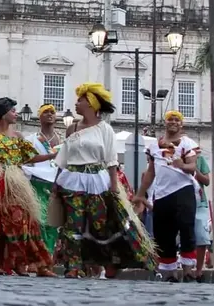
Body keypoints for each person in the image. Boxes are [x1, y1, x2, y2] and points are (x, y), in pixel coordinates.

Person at [54, 84, 157, 279]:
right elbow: (64, 157)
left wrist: (114, 187)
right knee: (72, 226)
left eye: (81, 100)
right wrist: (55, 182)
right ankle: (73, 267)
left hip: (97, 182)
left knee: (99, 226)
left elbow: (111, 160)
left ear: (91, 104)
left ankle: (102, 263)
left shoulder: (105, 129)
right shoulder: (72, 128)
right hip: (72, 180)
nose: (76, 103)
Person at [0, 97, 57, 276]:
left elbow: (30, 157)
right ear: (3, 113)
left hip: (15, 182)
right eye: (13, 111)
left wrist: (52, 157)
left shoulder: (17, 136)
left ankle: (27, 264)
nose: (16, 114)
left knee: (22, 221)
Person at [133, 110, 200, 281]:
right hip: (162, 194)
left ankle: (188, 270)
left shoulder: (187, 143)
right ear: (165, 122)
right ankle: (170, 272)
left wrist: (182, 165)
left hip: (183, 189)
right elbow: (150, 172)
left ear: (181, 124)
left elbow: (192, 167)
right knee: (164, 234)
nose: (173, 122)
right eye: (170, 119)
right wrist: (140, 194)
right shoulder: (154, 146)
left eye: (177, 120)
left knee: (186, 227)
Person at [23, 104, 61, 256]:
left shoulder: (62, 139)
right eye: (46, 112)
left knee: (53, 222)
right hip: (37, 183)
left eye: (52, 112)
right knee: (38, 220)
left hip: (56, 185)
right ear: (39, 116)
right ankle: (37, 256)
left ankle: (49, 256)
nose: (50, 115)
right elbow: (26, 160)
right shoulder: (32, 139)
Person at [193, 145, 212, 281]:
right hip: (181, 200)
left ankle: (199, 270)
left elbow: (206, 181)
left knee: (202, 236)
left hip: (200, 202)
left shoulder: (200, 160)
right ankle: (185, 267)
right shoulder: (175, 160)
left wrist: (195, 170)